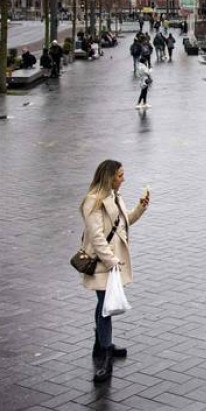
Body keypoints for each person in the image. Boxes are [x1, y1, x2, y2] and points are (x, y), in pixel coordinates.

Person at [78, 159, 150, 384]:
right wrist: (112, 262)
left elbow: (123, 222)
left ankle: (100, 345)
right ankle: (105, 356)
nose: (123, 179)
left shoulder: (114, 197)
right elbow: (97, 237)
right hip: (103, 264)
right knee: (106, 307)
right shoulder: (93, 201)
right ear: (109, 177)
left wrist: (141, 207)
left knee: (103, 305)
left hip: (111, 263)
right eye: (120, 175)